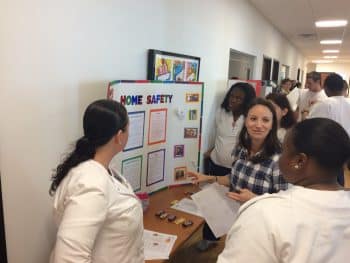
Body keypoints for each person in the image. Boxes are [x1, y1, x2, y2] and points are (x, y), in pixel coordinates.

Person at [217, 118, 350, 263]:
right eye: (252, 118)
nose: (258, 125)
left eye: (284, 150)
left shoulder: (263, 215)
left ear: (299, 161)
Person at [49, 100, 144, 263]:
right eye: (129, 128)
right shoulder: (92, 184)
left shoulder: (102, 170)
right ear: (119, 136)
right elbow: (68, 259)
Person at [191, 98, 288, 251]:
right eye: (253, 118)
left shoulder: (279, 160)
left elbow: (287, 203)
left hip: (262, 230)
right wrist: (209, 178)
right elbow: (234, 178)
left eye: (265, 120)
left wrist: (255, 199)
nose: (258, 125)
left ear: (272, 125)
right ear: (246, 121)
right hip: (237, 222)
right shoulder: (242, 148)